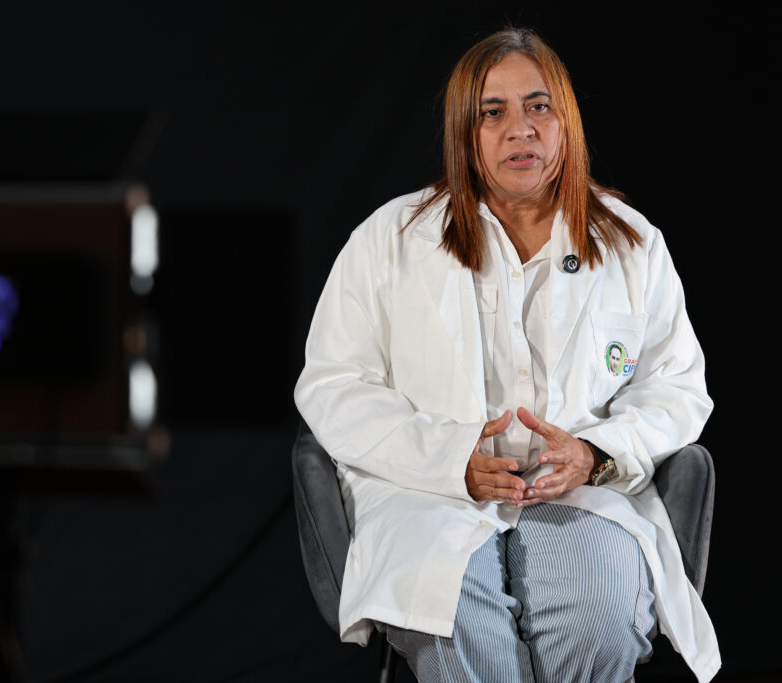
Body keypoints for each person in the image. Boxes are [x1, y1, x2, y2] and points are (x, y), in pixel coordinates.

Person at [294, 27, 718, 683]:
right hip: (427, 495)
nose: (521, 129)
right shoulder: (389, 239)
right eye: (493, 112)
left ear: (565, 120)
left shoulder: (633, 245)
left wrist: (596, 453)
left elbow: (677, 387)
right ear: (465, 133)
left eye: (538, 106)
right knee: (454, 620)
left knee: (599, 623)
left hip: (579, 496)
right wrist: (450, 458)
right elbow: (333, 384)